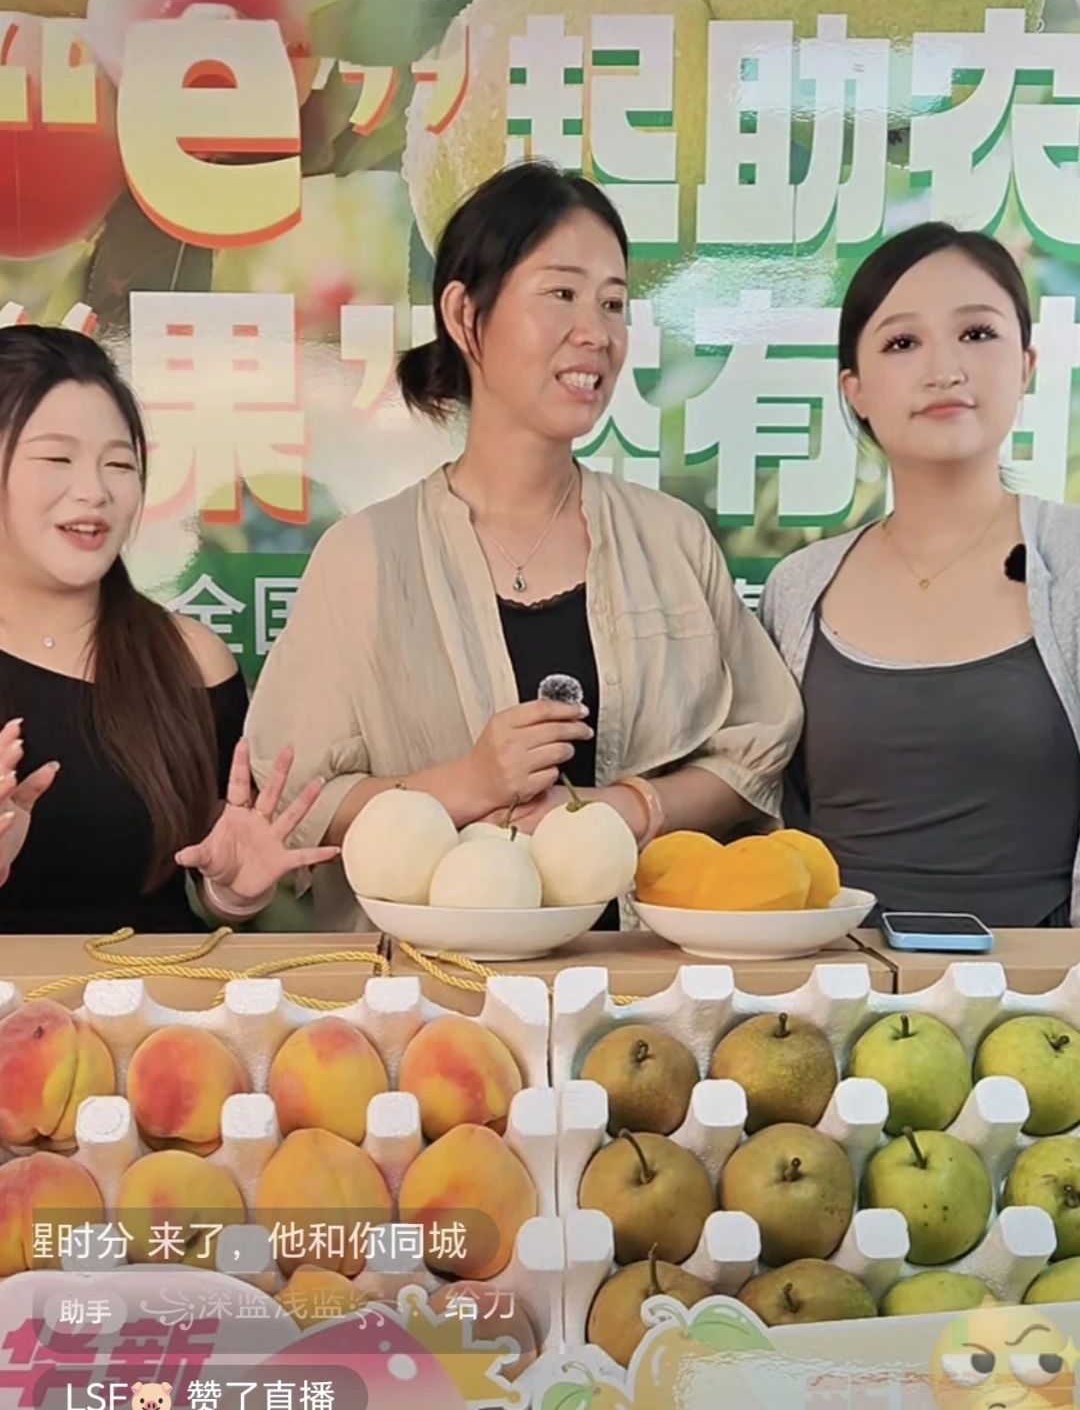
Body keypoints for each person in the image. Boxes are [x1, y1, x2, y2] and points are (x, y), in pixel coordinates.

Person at [245, 160, 803, 931]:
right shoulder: (363, 558)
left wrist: (629, 809)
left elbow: (756, 749)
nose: (596, 333)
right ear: (465, 314)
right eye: (562, 294)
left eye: (613, 303)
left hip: (642, 982)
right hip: (435, 983)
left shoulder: (671, 538)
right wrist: (468, 782)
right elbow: (300, 802)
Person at [761, 222, 1080, 928]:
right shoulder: (797, 589)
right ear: (855, 389)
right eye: (903, 343)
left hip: (1049, 989)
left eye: (977, 334)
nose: (945, 369)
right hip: (830, 986)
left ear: (1026, 366)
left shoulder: (1070, 558)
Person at [0, 325, 338, 935]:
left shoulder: (190, 661)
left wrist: (233, 894)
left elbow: (210, 873)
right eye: (56, 459)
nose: (94, 491)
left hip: (162, 994)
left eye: (118, 464)